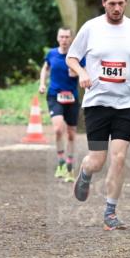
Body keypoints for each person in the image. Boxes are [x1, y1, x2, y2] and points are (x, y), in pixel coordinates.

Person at [66, 0, 130, 230]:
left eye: (121, 3)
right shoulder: (91, 28)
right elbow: (71, 57)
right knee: (97, 160)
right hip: (97, 104)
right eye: (112, 3)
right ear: (104, 2)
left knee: (119, 157)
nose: (116, 8)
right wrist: (82, 72)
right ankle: (85, 172)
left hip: (126, 104)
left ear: (126, 2)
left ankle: (110, 212)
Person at [38, 27, 84, 182]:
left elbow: (85, 71)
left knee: (71, 134)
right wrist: (42, 84)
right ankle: (61, 163)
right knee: (58, 129)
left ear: (71, 39)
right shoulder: (51, 54)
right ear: (58, 38)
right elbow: (45, 69)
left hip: (72, 98)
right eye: (61, 37)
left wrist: (77, 72)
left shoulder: (76, 56)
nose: (64, 40)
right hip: (54, 96)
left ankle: (70, 166)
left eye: (67, 37)